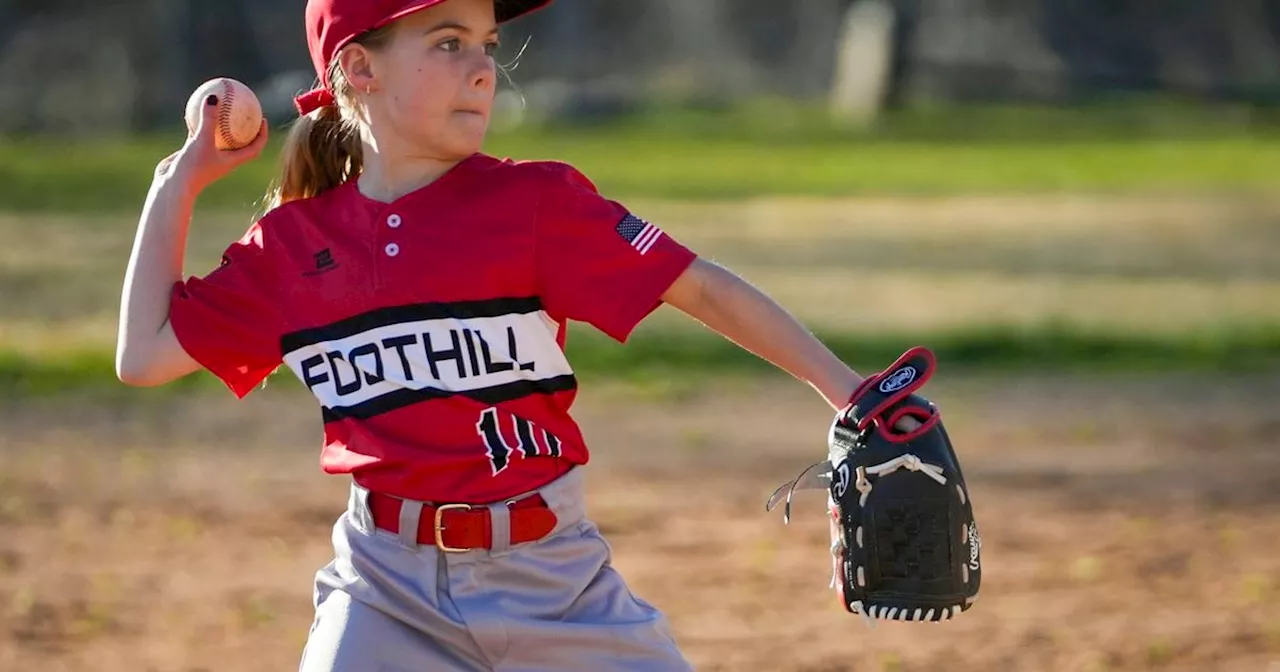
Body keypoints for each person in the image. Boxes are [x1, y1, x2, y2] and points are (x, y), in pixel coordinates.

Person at [116, 0, 908, 669]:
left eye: (488, 46)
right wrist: (177, 180)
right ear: (359, 69)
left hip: (554, 580)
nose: (484, 67)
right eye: (449, 43)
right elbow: (143, 355)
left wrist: (851, 391)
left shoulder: (534, 204)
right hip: (383, 589)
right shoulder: (293, 247)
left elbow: (697, 285)